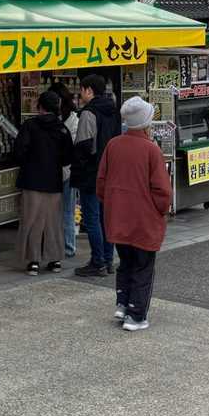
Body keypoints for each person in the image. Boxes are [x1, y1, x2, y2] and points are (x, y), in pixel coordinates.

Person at [96, 96, 172, 332]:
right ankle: (136, 315)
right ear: (146, 122)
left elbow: (101, 182)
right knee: (143, 266)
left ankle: (122, 303)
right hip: (144, 219)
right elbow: (162, 190)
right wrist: (162, 210)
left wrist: (111, 204)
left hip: (118, 216)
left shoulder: (113, 145)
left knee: (126, 262)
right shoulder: (151, 150)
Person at [13, 90, 72, 275]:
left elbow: (19, 152)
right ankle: (55, 260)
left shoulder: (30, 126)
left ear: (40, 106)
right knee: (53, 221)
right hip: (53, 181)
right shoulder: (62, 129)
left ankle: (33, 261)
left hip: (31, 180)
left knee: (32, 220)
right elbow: (67, 157)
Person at [71, 73, 122, 278]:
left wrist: (78, 166)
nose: (80, 94)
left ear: (89, 90)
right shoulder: (114, 110)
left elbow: (84, 145)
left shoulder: (88, 113)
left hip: (92, 173)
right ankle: (108, 261)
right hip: (110, 171)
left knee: (92, 219)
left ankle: (97, 262)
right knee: (105, 218)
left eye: (81, 90)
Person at [51, 80, 79, 258]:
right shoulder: (75, 119)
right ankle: (69, 246)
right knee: (68, 210)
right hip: (68, 170)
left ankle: (62, 245)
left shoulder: (59, 121)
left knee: (56, 210)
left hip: (58, 170)